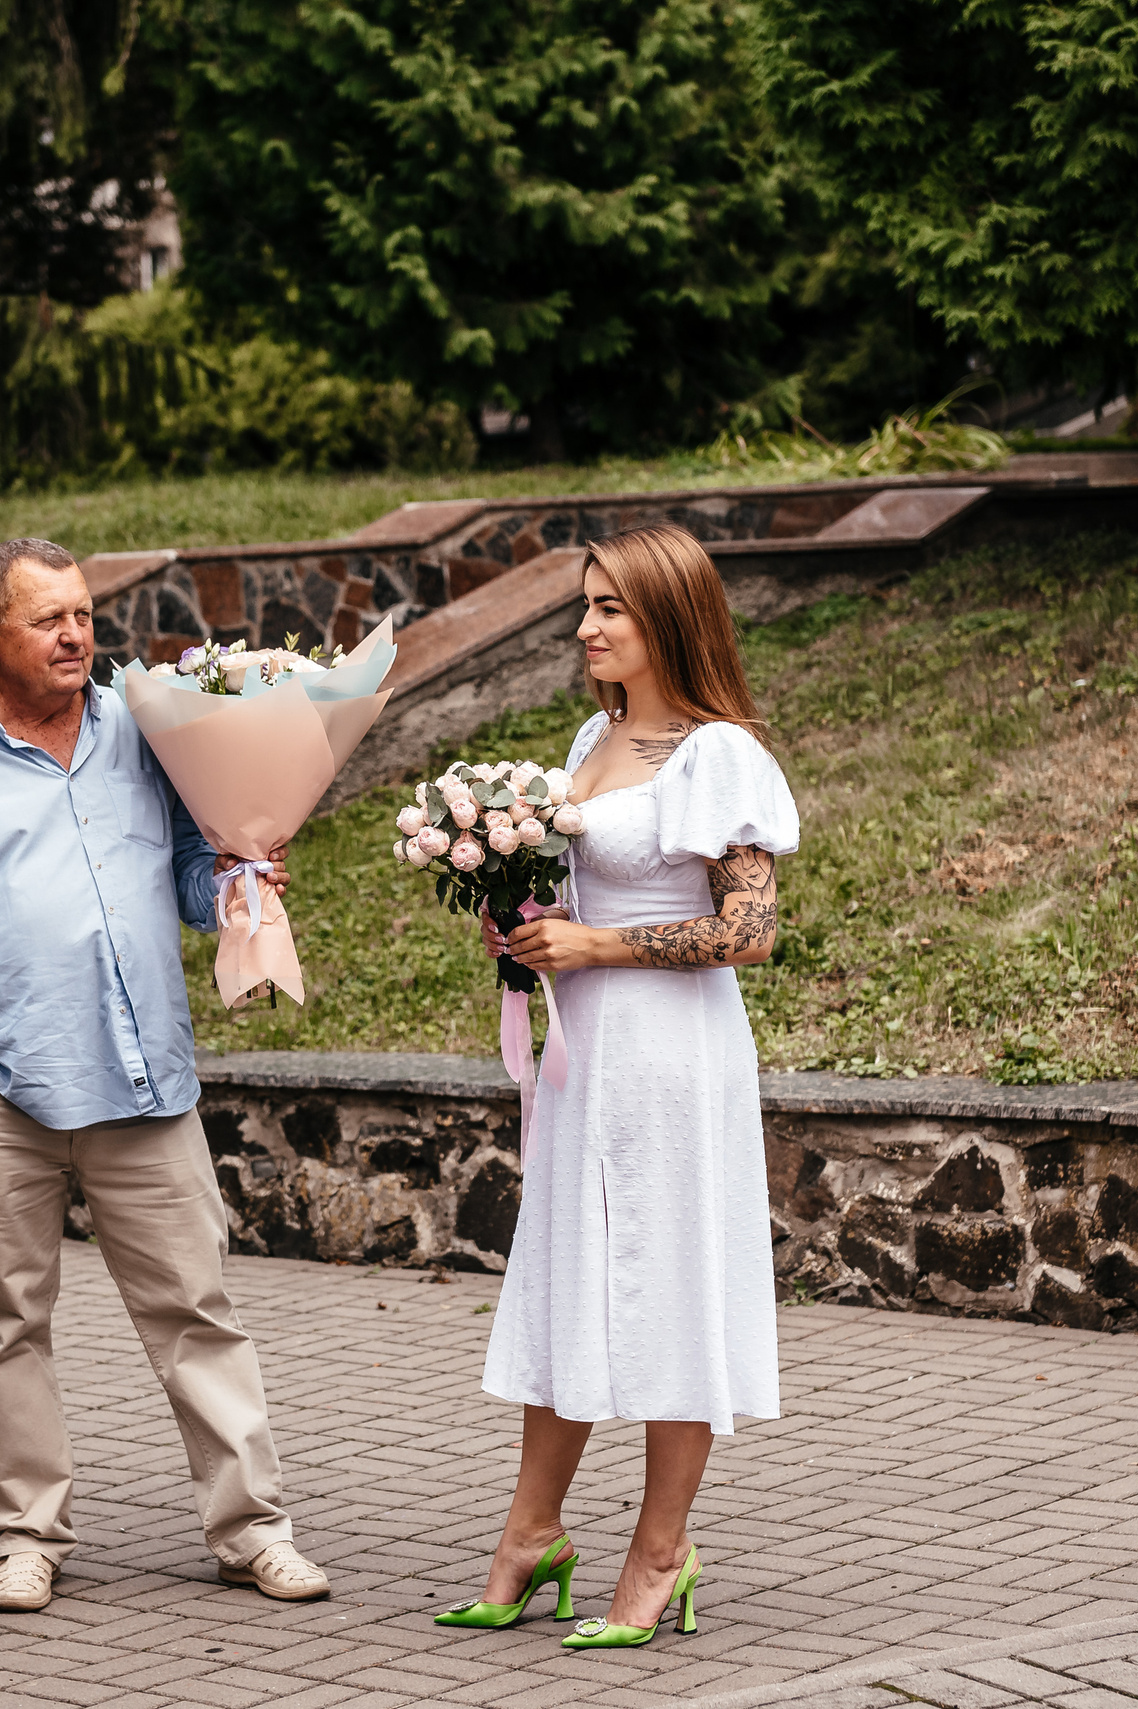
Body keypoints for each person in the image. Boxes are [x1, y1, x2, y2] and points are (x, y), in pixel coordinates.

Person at [0, 537, 329, 1613]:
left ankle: (252, 1528)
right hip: (2, 1096)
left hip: (146, 1083)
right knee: (8, 1325)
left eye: (82, 614)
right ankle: (27, 1534)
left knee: (200, 1312)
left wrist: (245, 870)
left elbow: (189, 882)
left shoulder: (150, 725)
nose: (75, 635)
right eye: (47, 620)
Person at [442, 523, 800, 1651]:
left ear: (669, 620)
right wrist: (522, 926)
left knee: (670, 1280)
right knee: (569, 1276)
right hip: (583, 1056)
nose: (586, 625)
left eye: (610, 608)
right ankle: (530, 1532)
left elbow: (752, 932)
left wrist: (599, 947)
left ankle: (660, 1551)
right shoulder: (588, 738)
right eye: (585, 605)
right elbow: (568, 898)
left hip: (674, 1056)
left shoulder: (718, 753)